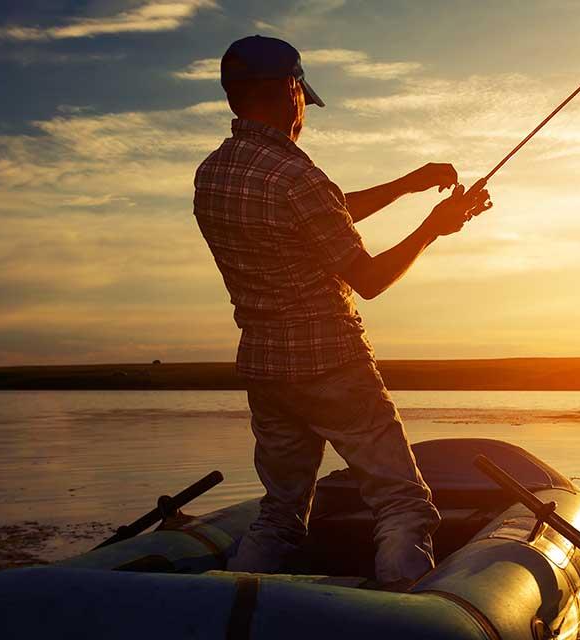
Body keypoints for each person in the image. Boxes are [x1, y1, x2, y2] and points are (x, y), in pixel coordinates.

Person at [192, 35, 493, 589]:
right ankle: (401, 619)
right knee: (403, 506)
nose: (303, 108)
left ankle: (224, 609)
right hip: (332, 363)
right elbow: (370, 280)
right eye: (302, 94)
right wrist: (434, 227)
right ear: (290, 91)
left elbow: (321, 213)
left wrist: (407, 186)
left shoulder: (213, 174)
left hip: (265, 369)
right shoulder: (295, 176)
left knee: (280, 516)